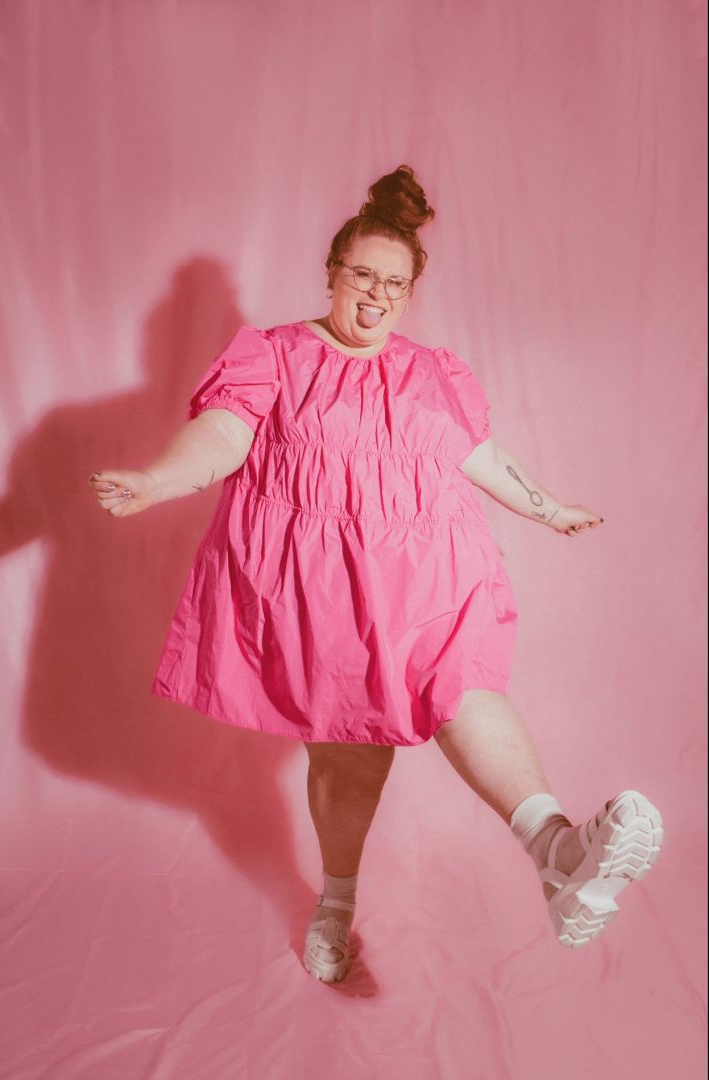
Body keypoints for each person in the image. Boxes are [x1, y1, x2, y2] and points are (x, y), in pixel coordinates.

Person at [88, 165, 663, 984]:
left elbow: (477, 454)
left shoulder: (431, 371)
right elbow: (223, 436)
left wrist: (548, 507)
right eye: (363, 275)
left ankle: (558, 852)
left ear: (409, 293)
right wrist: (156, 480)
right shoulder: (274, 355)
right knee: (348, 766)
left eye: (394, 284)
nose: (376, 295)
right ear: (332, 272)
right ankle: (336, 903)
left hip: (430, 572)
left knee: (466, 692)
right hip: (321, 589)